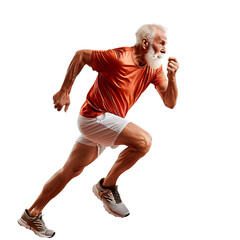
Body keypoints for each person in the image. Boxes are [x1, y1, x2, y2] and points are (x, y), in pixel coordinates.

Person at [18, 24, 179, 238]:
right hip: (94, 118)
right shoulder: (119, 57)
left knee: (70, 171)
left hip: (107, 124)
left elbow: (170, 102)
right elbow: (81, 55)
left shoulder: (153, 68)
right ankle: (106, 186)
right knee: (143, 141)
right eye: (162, 43)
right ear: (145, 43)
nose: (165, 50)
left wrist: (173, 77)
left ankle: (31, 214)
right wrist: (65, 91)